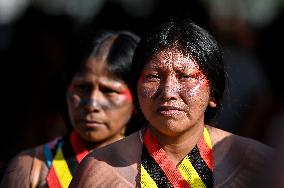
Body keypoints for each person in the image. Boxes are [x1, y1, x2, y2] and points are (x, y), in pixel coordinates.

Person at [70, 18, 274, 188]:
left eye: (185, 76)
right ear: (136, 90)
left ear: (213, 93)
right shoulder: (98, 170)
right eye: (153, 76)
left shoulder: (259, 165)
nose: (168, 92)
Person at [1, 30, 141, 187]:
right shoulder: (30, 167)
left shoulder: (148, 173)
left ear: (137, 100)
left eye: (109, 91)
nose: (92, 104)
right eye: (82, 87)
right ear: (67, 87)